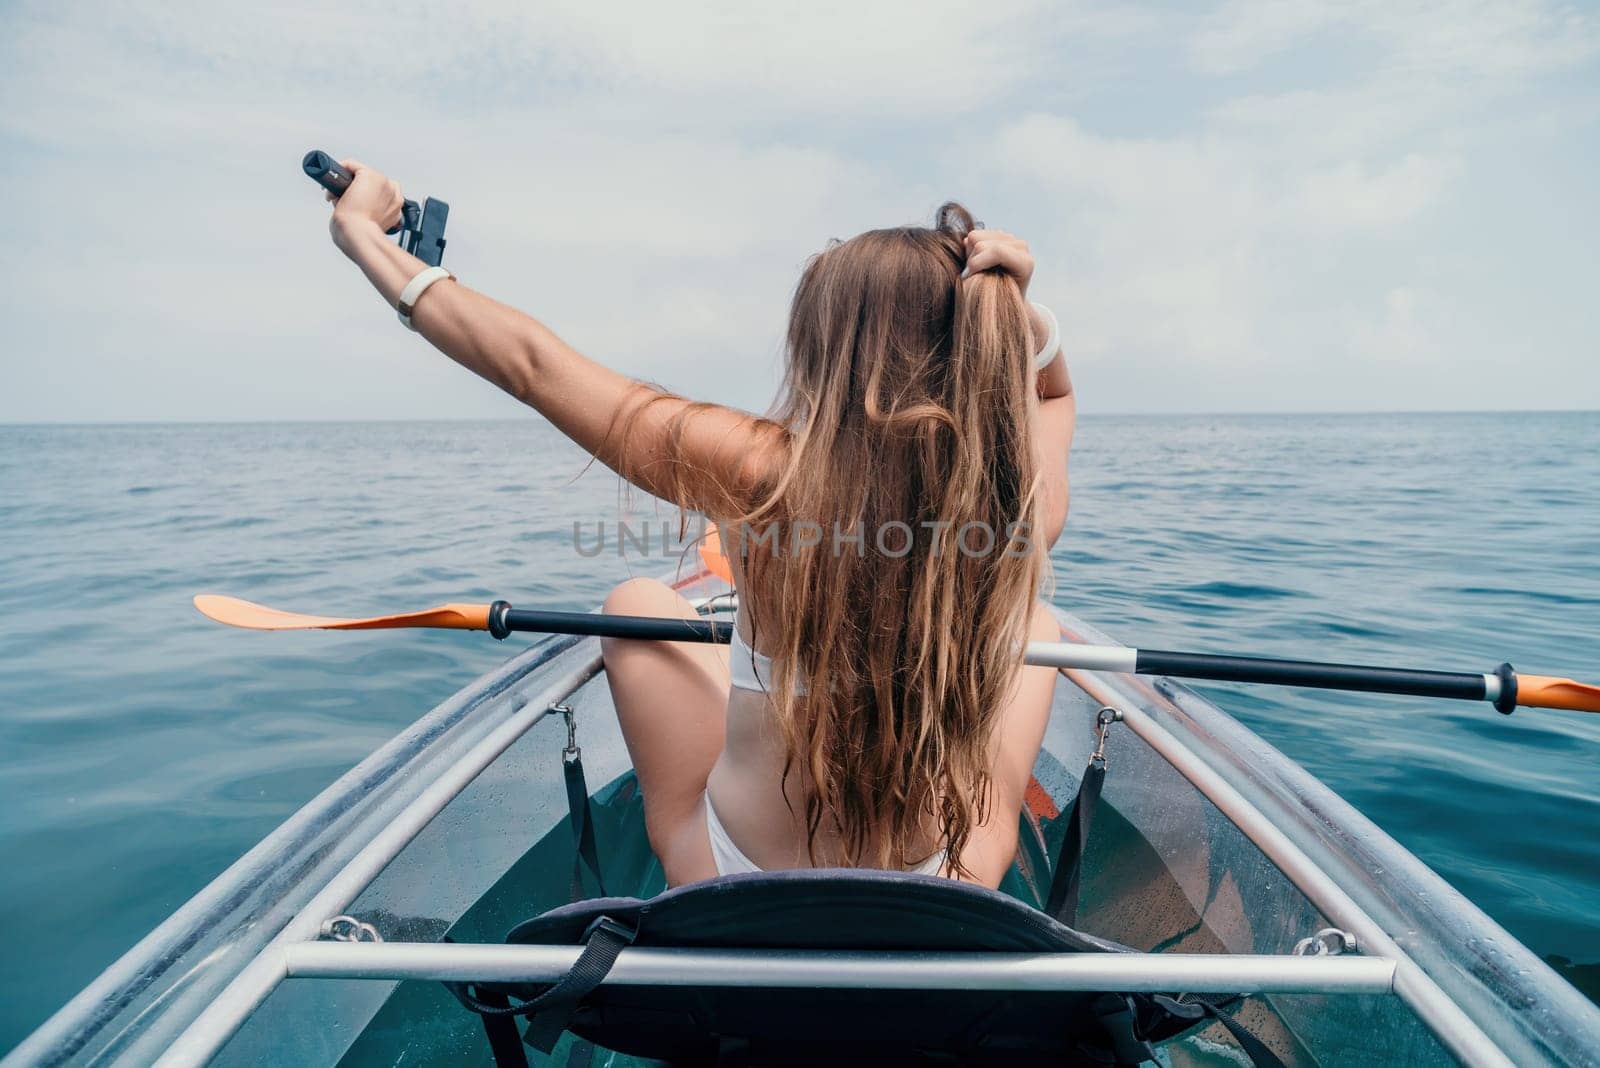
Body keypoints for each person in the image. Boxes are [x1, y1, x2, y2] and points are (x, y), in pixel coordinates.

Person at [326, 161, 1075, 888]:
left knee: (639, 604)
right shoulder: (1018, 506)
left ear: (826, 349)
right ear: (983, 342)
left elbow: (529, 365)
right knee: (1034, 622)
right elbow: (1050, 398)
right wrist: (1023, 313)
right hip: (944, 879)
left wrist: (367, 237)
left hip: (733, 874)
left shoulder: (759, 474)